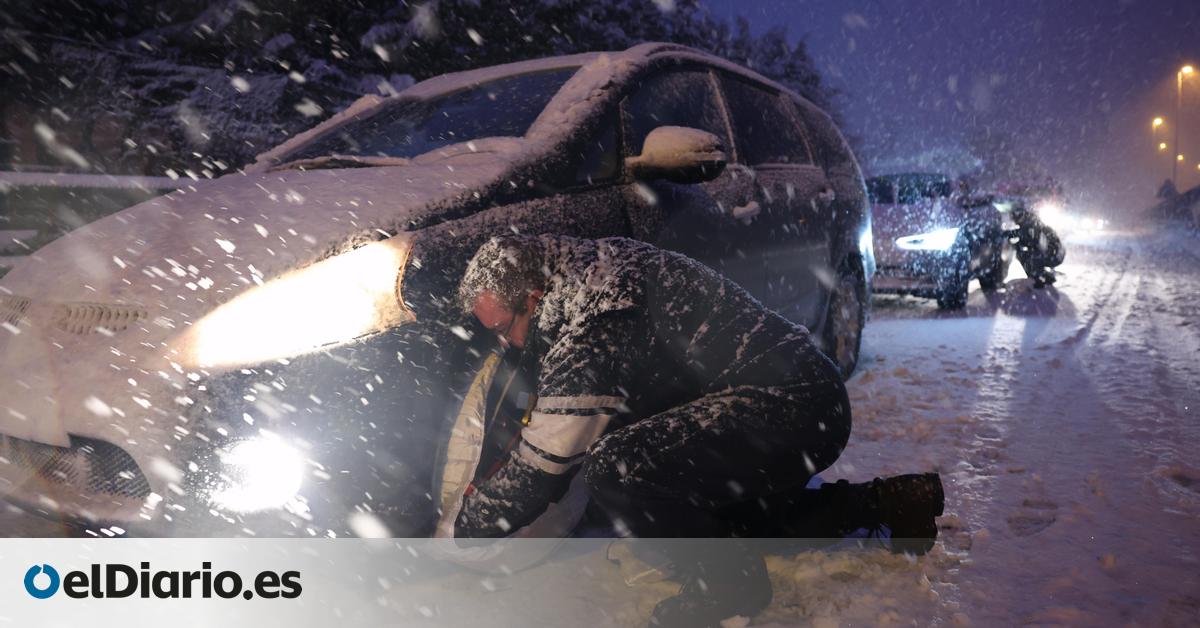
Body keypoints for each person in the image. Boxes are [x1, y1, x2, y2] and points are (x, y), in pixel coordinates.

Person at [443, 234, 944, 627]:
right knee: (735, 523)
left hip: (787, 405)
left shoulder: (597, 320)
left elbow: (545, 462)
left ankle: (728, 589)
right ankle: (895, 501)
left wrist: (460, 530)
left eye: (503, 327)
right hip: (804, 395)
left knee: (618, 469)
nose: (507, 342)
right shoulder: (593, 266)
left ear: (533, 296)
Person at [1007, 200, 1065, 288]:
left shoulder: (1030, 225)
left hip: (1054, 256)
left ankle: (1039, 278)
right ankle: (1044, 276)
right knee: (1027, 253)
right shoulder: (1033, 222)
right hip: (1056, 254)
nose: (1015, 221)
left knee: (1024, 254)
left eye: (1015, 217)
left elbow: (1023, 235)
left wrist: (1006, 235)